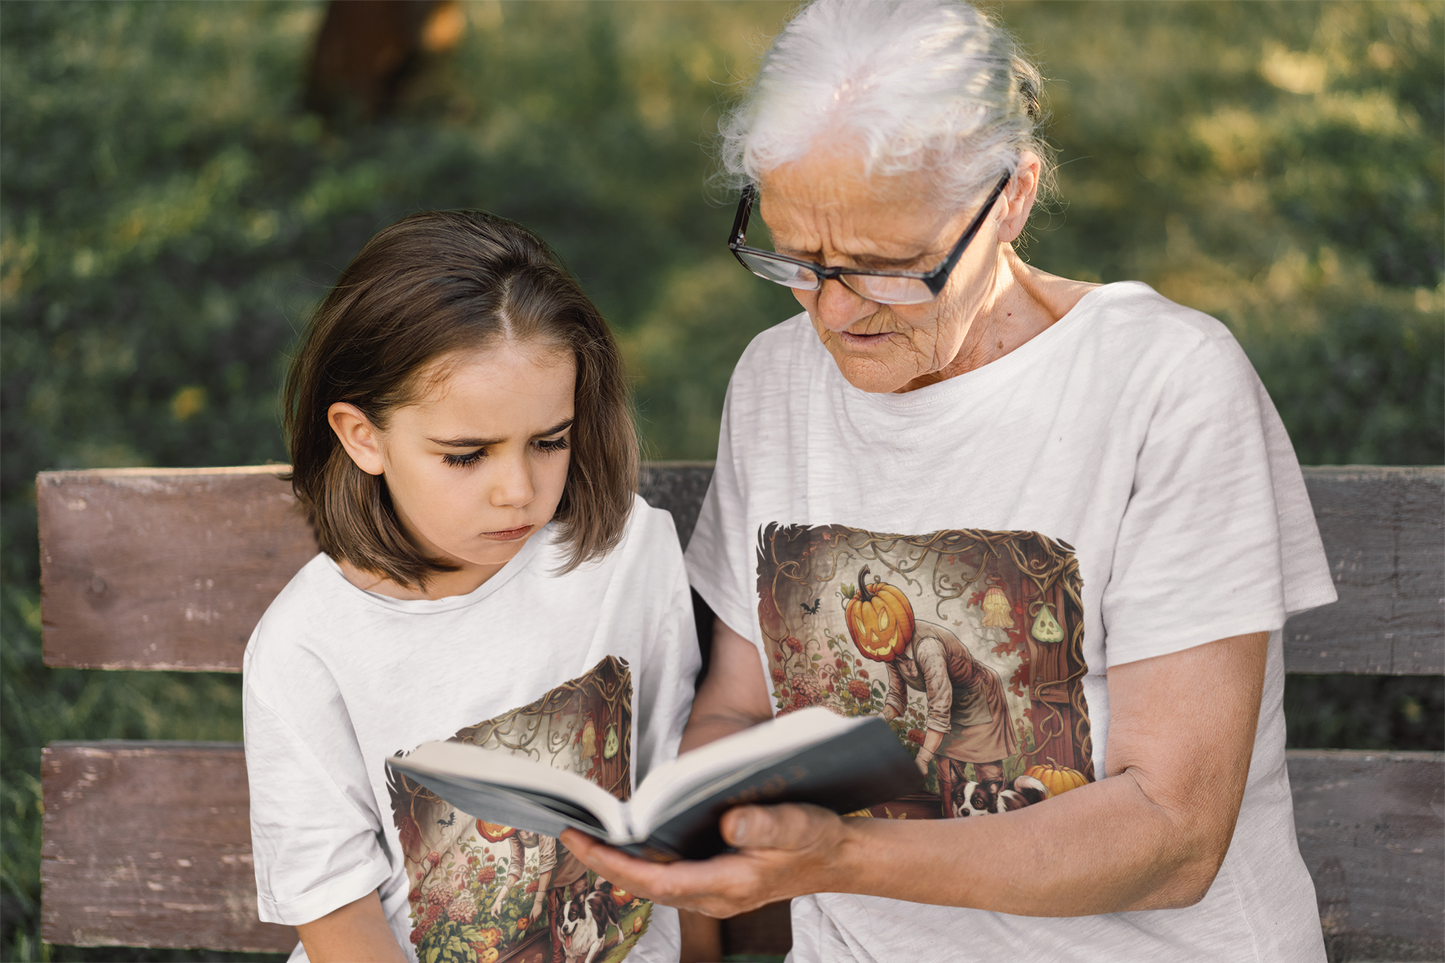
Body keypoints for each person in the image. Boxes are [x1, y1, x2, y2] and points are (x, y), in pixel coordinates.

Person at [561, 1, 1338, 960]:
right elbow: (740, 705)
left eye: (887, 269)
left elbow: (1173, 837)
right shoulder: (775, 378)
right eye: (799, 259)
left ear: (1011, 194)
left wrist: (840, 854)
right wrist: (684, 837)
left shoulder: (1163, 384)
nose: (835, 314)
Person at [242, 210, 699, 963]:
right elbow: (333, 911)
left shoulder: (625, 554)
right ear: (364, 437)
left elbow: (672, 802)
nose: (517, 490)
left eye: (549, 441)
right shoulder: (307, 642)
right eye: (465, 455)